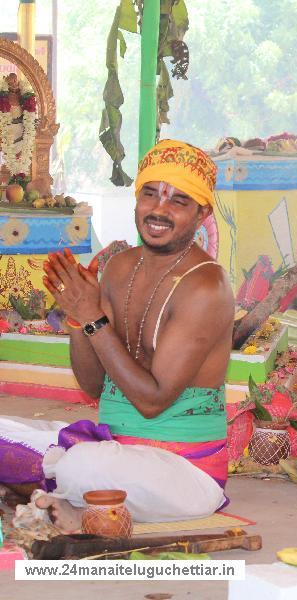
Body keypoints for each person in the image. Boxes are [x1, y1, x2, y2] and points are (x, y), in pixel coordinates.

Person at [0, 139, 235, 532]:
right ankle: (57, 496)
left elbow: (152, 401)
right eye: (151, 194)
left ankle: (52, 492)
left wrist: (92, 316)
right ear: (137, 199)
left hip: (182, 473)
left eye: (178, 201)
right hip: (112, 448)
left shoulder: (206, 285)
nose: (159, 210)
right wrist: (77, 317)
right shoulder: (119, 267)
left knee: (82, 463)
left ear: (201, 213)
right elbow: (93, 384)